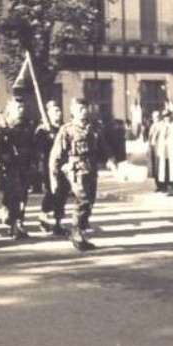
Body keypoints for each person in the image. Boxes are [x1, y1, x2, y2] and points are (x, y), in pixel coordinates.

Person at [49, 97, 115, 251]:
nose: (83, 111)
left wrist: (110, 160)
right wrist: (53, 177)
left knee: (90, 202)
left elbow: (103, 147)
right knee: (83, 200)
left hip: (91, 169)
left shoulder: (93, 128)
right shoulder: (67, 130)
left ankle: (81, 232)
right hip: (76, 170)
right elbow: (56, 156)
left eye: (85, 108)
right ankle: (76, 233)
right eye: (80, 109)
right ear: (73, 111)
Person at [0, 98, 35, 240]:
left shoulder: (29, 124)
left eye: (22, 107)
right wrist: (1, 161)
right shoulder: (3, 126)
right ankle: (14, 224)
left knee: (23, 196)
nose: (21, 110)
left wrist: (34, 162)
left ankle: (18, 221)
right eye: (17, 107)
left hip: (25, 165)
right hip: (11, 167)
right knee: (14, 195)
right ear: (10, 109)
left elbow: (33, 145)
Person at [35, 101, 68, 236]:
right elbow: (37, 149)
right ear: (48, 113)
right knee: (51, 192)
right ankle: (44, 215)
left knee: (63, 193)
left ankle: (58, 222)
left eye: (59, 110)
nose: (58, 113)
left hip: (63, 166)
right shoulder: (42, 130)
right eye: (55, 111)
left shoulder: (64, 128)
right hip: (48, 167)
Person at [147, 111, 162, 192]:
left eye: (156, 117)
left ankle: (163, 185)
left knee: (160, 167)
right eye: (153, 117)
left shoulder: (161, 125)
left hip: (159, 148)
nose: (155, 118)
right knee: (154, 168)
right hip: (152, 148)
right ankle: (158, 185)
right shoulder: (152, 126)